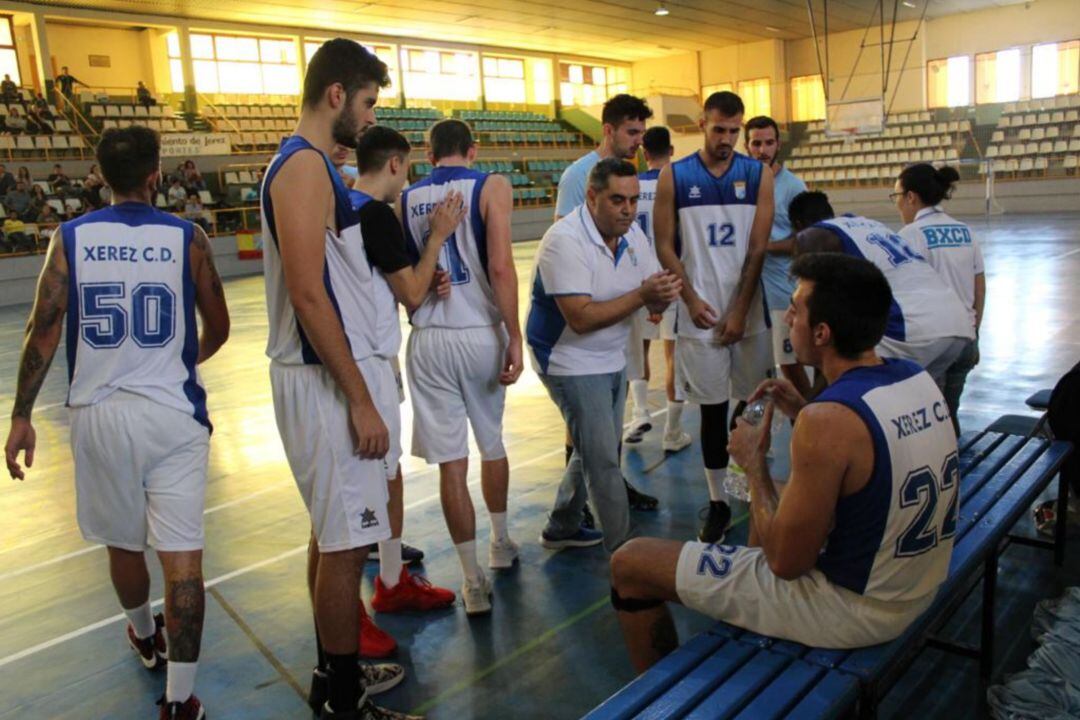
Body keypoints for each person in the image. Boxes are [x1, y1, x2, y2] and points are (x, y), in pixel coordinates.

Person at [610, 252, 959, 671]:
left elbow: (785, 564)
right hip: (915, 586)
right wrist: (802, 411)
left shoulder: (829, 419)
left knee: (631, 562)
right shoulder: (914, 376)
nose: (788, 318)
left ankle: (659, 696)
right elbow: (864, 453)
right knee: (776, 503)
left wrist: (752, 462)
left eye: (795, 310)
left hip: (853, 610)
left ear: (822, 333)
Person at [3, 125, 231, 719]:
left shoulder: (70, 238)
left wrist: (21, 415)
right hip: (173, 415)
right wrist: (181, 364)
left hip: (99, 417)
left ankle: (144, 634)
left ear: (100, 177)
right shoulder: (189, 237)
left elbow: (43, 330)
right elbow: (219, 327)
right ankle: (180, 701)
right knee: (183, 563)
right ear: (157, 175)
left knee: (124, 543)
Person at [260, 38, 416, 720]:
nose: (370, 116)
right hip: (319, 378)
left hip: (317, 375)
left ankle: (334, 679)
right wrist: (360, 399)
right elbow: (307, 292)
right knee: (348, 543)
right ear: (336, 95)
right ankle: (346, 702)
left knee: (333, 538)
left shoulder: (314, 166)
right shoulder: (301, 166)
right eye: (368, 102)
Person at [400, 118, 523, 616]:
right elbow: (500, 267)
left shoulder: (405, 198)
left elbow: (403, 277)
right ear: (472, 150)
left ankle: (471, 581)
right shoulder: (491, 186)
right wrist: (515, 335)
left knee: (452, 463)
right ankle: (500, 542)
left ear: (428, 155)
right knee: (491, 443)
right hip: (478, 332)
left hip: (428, 337)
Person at [529, 158, 682, 554]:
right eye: (617, 200)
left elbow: (652, 290)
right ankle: (625, 552)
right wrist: (644, 297)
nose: (628, 210)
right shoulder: (564, 241)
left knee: (595, 447)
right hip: (567, 359)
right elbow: (580, 319)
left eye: (632, 200)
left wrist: (661, 298)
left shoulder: (633, 236)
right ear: (592, 196)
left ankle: (561, 525)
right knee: (603, 461)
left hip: (610, 353)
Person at [653, 90, 775, 544]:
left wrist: (739, 309)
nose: (726, 139)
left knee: (753, 404)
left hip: (749, 312)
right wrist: (689, 299)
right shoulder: (675, 175)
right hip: (698, 313)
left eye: (734, 131)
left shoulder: (758, 174)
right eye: (719, 129)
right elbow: (664, 244)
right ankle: (718, 502)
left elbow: (758, 248)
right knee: (711, 409)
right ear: (703, 123)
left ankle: (746, 476)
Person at [349, 126, 461, 619]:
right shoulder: (374, 212)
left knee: (375, 474)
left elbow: (387, 282)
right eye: (407, 167)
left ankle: (391, 575)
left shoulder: (341, 203)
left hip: (357, 355)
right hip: (369, 362)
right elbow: (412, 295)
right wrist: (437, 239)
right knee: (381, 475)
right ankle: (386, 586)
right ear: (394, 164)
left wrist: (422, 273)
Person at [553, 93, 660, 514]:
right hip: (589, 311)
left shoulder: (629, 173)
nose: (638, 141)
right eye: (632, 132)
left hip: (623, 304)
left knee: (615, 405)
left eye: (642, 133)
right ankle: (580, 502)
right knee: (583, 416)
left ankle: (609, 481)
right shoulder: (578, 175)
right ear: (609, 130)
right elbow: (561, 240)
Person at [788, 191, 974, 392]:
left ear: (798, 225)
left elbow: (822, 315)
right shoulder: (866, 224)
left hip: (911, 330)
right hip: (956, 322)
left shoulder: (811, 237)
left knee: (841, 363)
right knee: (919, 403)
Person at [894, 164, 984, 435]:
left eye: (897, 196)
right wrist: (974, 332)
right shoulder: (965, 231)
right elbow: (979, 287)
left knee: (930, 421)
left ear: (911, 197)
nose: (897, 204)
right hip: (965, 338)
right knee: (950, 411)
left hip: (934, 344)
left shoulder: (910, 235)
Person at [622, 125, 691, 453]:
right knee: (673, 356)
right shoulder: (677, 184)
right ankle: (672, 432)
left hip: (636, 280)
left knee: (638, 351)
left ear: (643, 152)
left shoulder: (631, 186)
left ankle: (640, 413)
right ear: (672, 151)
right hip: (669, 279)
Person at [745, 115, 812, 399]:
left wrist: (763, 246)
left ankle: (808, 413)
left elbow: (806, 240)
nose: (762, 150)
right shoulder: (741, 184)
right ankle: (758, 417)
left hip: (781, 290)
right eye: (756, 143)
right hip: (747, 293)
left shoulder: (794, 186)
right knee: (755, 366)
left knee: (789, 364)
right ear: (746, 146)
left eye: (768, 143)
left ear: (778, 145)